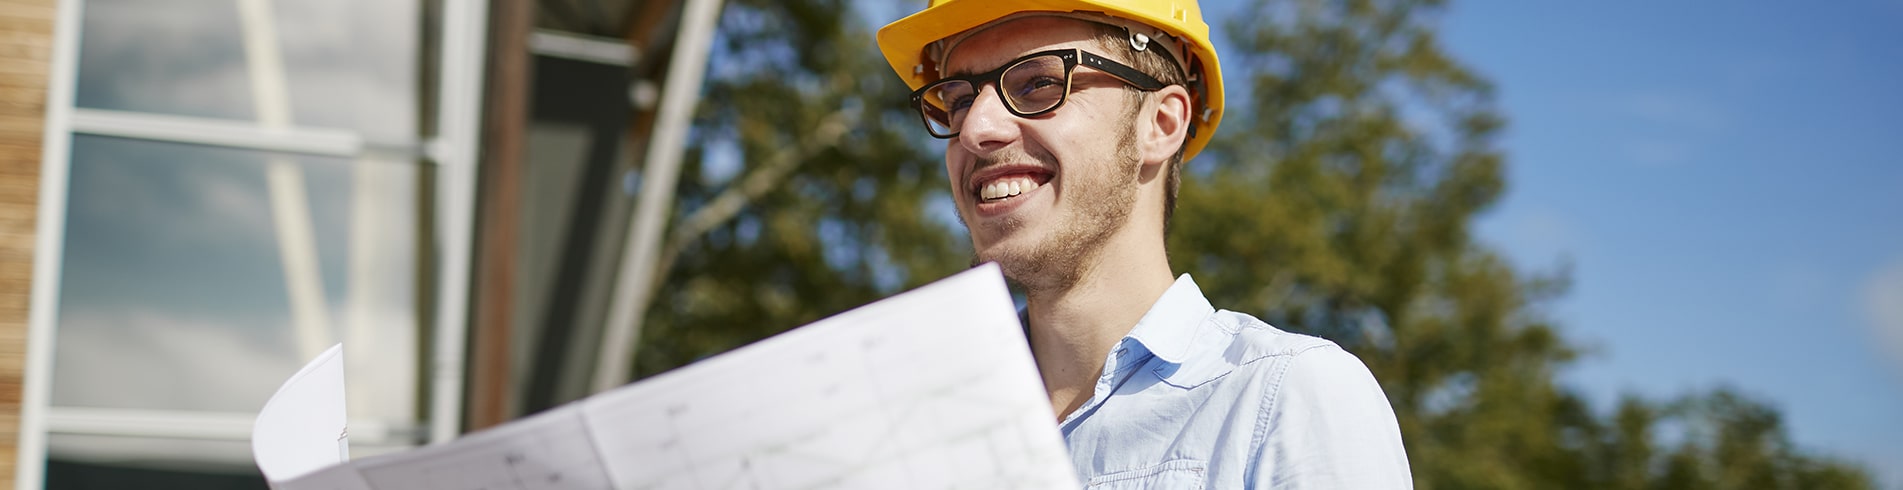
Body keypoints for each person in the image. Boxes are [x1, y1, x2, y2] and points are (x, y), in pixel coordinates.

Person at [877, 1, 1412, 487]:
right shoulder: (909, 435)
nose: (976, 129)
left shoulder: (1283, 399)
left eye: (1038, 83)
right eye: (957, 100)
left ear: (1160, 123)